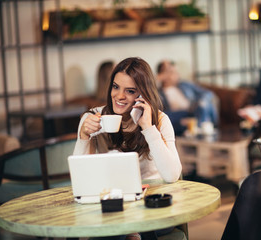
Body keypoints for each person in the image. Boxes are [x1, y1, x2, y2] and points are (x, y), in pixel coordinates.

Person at [73, 57, 182, 240]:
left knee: (117, 232)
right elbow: (80, 181)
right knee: (109, 229)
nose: (119, 96)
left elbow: (172, 175)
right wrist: (84, 137)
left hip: (150, 208)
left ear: (143, 94)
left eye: (129, 91)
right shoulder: (92, 119)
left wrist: (148, 128)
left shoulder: (159, 120)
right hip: (111, 208)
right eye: (116, 87)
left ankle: (133, 234)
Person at [156, 60, 219, 136]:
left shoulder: (185, 85)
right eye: (170, 71)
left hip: (194, 111)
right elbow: (159, 113)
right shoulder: (158, 92)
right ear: (162, 74)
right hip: (177, 117)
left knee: (203, 104)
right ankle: (199, 128)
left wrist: (201, 101)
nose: (176, 74)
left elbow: (209, 93)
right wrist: (157, 79)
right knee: (163, 116)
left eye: (175, 71)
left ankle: (199, 127)